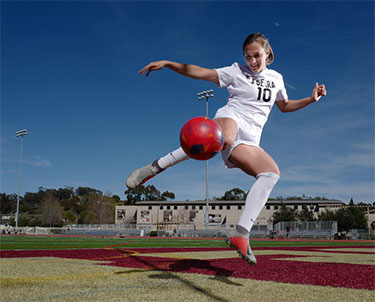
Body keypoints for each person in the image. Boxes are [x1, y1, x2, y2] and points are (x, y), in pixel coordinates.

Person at [126, 33, 327, 265]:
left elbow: (284, 106)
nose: (252, 61)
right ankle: (155, 167)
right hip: (229, 120)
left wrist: (311, 99)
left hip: (250, 140)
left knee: (271, 174)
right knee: (226, 137)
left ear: (267, 53)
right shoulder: (236, 71)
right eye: (248, 56)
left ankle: (241, 233)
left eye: (257, 56)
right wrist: (170, 64)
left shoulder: (277, 78)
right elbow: (200, 71)